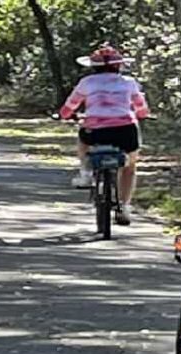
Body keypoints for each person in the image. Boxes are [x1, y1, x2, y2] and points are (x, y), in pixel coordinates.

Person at [57, 43, 151, 224]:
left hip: (95, 131)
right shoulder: (129, 82)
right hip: (125, 131)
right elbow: (141, 108)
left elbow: (70, 105)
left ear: (93, 66)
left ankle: (85, 173)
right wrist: (142, 114)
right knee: (130, 166)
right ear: (119, 65)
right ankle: (124, 206)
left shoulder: (87, 82)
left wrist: (64, 115)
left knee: (83, 140)